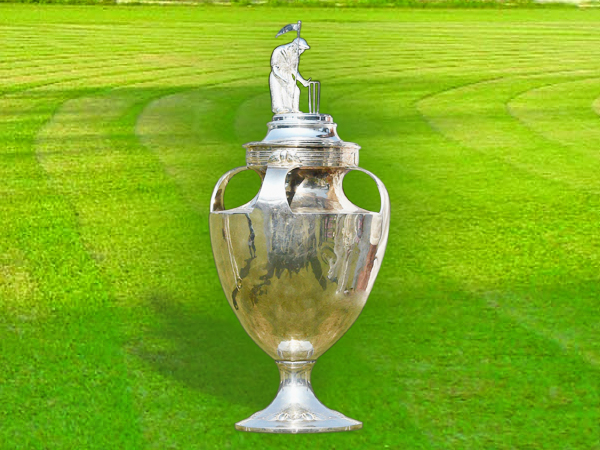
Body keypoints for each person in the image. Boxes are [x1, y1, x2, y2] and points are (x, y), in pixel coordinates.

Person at [269, 37, 311, 114]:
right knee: (278, 92)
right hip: (277, 75)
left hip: (287, 75)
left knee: (296, 91)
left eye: (302, 50)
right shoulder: (279, 50)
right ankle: (279, 109)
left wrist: (303, 81)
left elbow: (293, 70)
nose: (300, 52)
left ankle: (295, 109)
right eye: (299, 49)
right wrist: (282, 78)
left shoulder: (295, 55)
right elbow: (274, 68)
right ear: (293, 45)